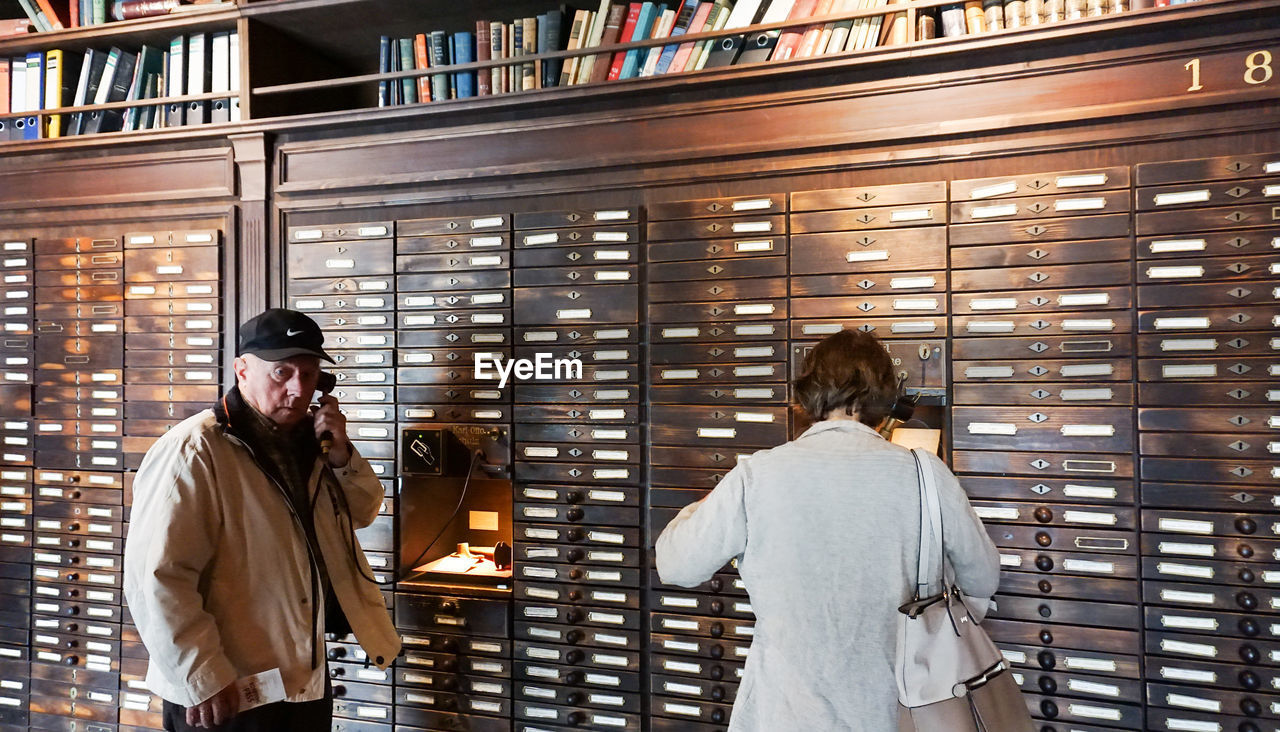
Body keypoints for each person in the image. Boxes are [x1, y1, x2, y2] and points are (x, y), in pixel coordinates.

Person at [655, 328, 1000, 731]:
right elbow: (982, 578)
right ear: (888, 399)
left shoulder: (757, 475)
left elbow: (677, 565)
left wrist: (699, 509)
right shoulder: (927, 474)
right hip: (902, 710)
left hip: (786, 712)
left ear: (808, 393)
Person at [123, 308, 401, 731]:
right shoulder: (195, 450)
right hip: (227, 687)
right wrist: (203, 677)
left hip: (300, 679)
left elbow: (361, 514)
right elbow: (158, 577)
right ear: (242, 370)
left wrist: (341, 454)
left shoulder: (313, 447)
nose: (297, 389)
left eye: (309, 375)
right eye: (281, 373)